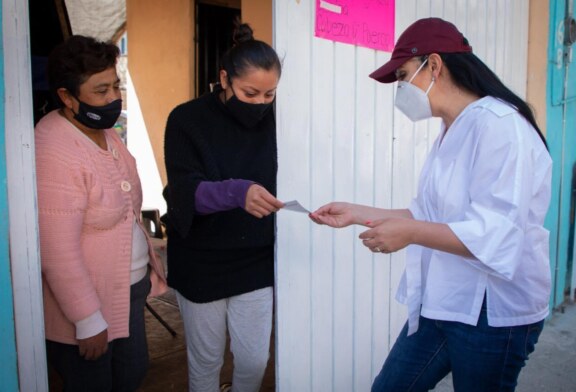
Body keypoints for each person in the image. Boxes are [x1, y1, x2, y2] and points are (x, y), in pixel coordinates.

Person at [310, 17, 551, 392]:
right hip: (445, 300)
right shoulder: (451, 129)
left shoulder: (500, 127)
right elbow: (427, 216)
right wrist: (357, 213)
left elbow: (497, 235)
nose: (402, 88)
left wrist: (408, 234)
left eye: (404, 75)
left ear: (434, 65)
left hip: (493, 312)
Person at [35, 35, 167, 391]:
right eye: (101, 90)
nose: (113, 98)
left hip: (126, 290)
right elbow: (56, 249)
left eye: (116, 85)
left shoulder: (105, 132)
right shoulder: (54, 147)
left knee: (132, 374)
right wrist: (87, 318)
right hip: (90, 306)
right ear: (66, 96)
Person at [163, 23, 284, 392]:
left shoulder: (280, 120)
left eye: (270, 94)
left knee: (253, 359)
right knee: (206, 361)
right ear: (224, 79)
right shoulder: (186, 119)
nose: (261, 104)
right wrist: (236, 192)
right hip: (201, 260)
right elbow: (183, 190)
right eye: (251, 93)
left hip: (254, 259)